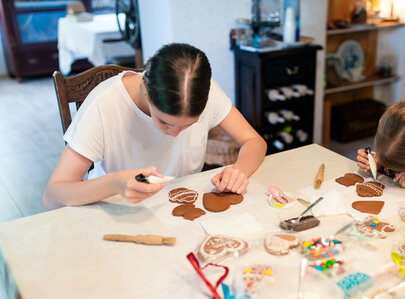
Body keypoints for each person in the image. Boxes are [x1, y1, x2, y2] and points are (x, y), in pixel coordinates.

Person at [43, 43, 267, 210]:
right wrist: (116, 183)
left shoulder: (206, 91)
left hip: (179, 204)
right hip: (117, 209)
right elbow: (52, 195)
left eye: (188, 125)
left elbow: (254, 141)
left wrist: (239, 171)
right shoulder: (105, 104)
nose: (175, 134)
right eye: (164, 122)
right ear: (145, 87)